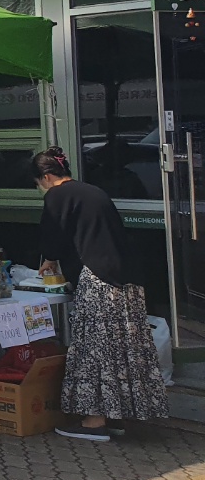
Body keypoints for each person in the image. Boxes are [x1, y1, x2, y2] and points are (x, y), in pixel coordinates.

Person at [32, 147, 169, 441]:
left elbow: (53, 235)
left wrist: (48, 260)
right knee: (124, 350)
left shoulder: (57, 195)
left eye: (38, 182)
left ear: (46, 176)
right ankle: (117, 416)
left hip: (100, 279)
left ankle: (94, 422)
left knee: (95, 349)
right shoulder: (93, 191)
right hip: (128, 279)